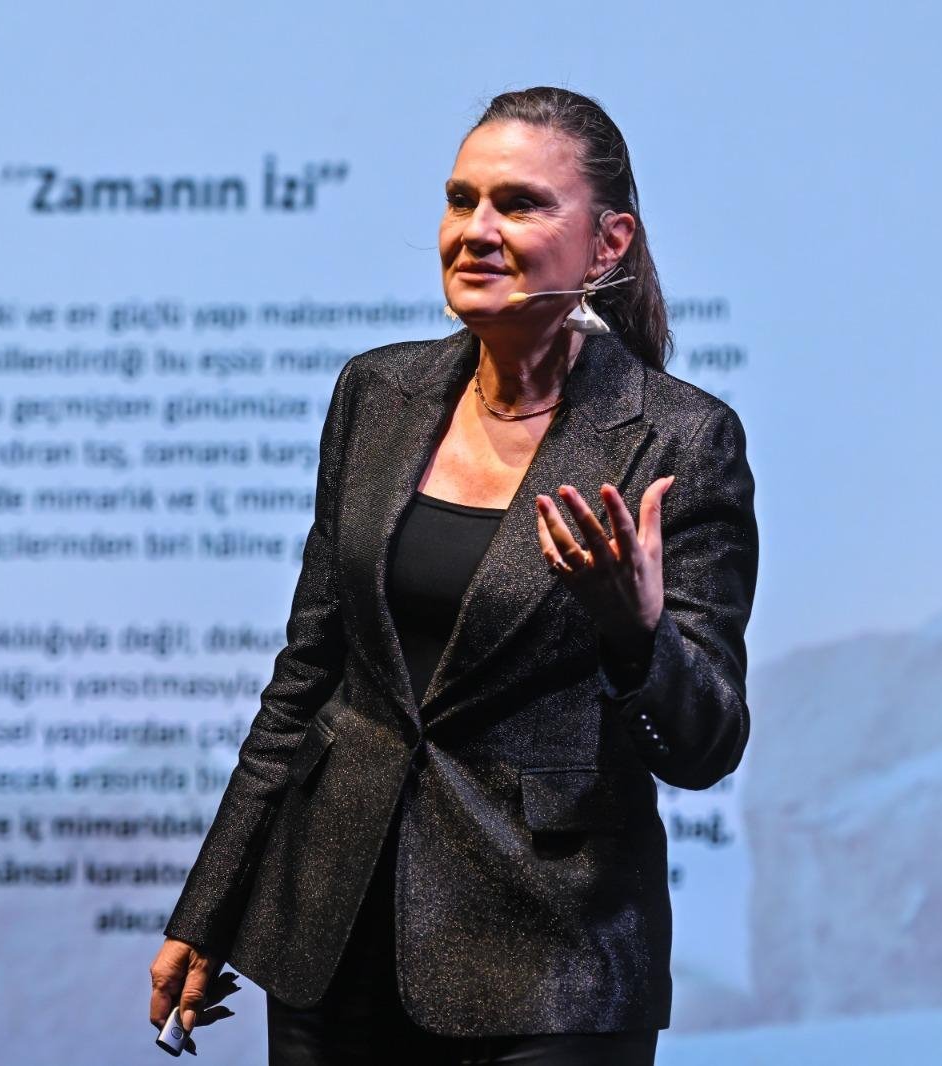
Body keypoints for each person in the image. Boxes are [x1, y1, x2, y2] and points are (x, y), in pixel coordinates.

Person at [149, 86, 759, 1065]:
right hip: (333, 944)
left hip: (552, 965)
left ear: (606, 245)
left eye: (518, 204)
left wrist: (636, 636)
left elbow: (704, 745)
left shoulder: (680, 439)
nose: (475, 230)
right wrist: (210, 904)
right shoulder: (376, 394)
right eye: (460, 199)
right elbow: (307, 678)